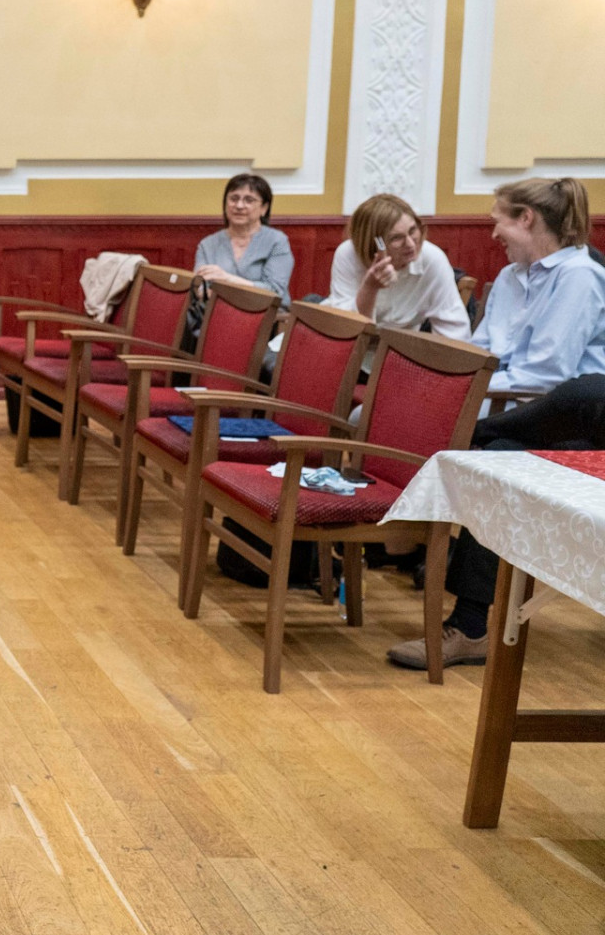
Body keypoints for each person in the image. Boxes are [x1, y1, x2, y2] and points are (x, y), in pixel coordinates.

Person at [386, 177, 605, 672]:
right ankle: (422, 565)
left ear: (527, 218)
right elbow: (482, 350)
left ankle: (467, 622)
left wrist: (465, 392)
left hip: (571, 423)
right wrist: (447, 381)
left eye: (498, 221)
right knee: (473, 446)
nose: (493, 234)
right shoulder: (510, 277)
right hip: (508, 409)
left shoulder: (579, 276)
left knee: (495, 456)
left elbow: (549, 375)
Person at [326, 193, 470, 339]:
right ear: (374, 244)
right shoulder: (348, 254)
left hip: (402, 344)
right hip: (352, 339)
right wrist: (369, 288)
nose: (410, 244)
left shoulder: (432, 258)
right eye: (396, 238)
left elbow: (454, 330)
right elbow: (344, 328)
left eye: (412, 231)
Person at [194, 172, 294, 298]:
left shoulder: (277, 241)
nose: (239, 206)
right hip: (216, 308)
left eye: (249, 200)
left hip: (265, 309)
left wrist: (228, 279)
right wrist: (201, 292)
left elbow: (275, 291)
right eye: (234, 199)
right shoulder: (207, 244)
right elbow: (199, 287)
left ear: (264, 208)